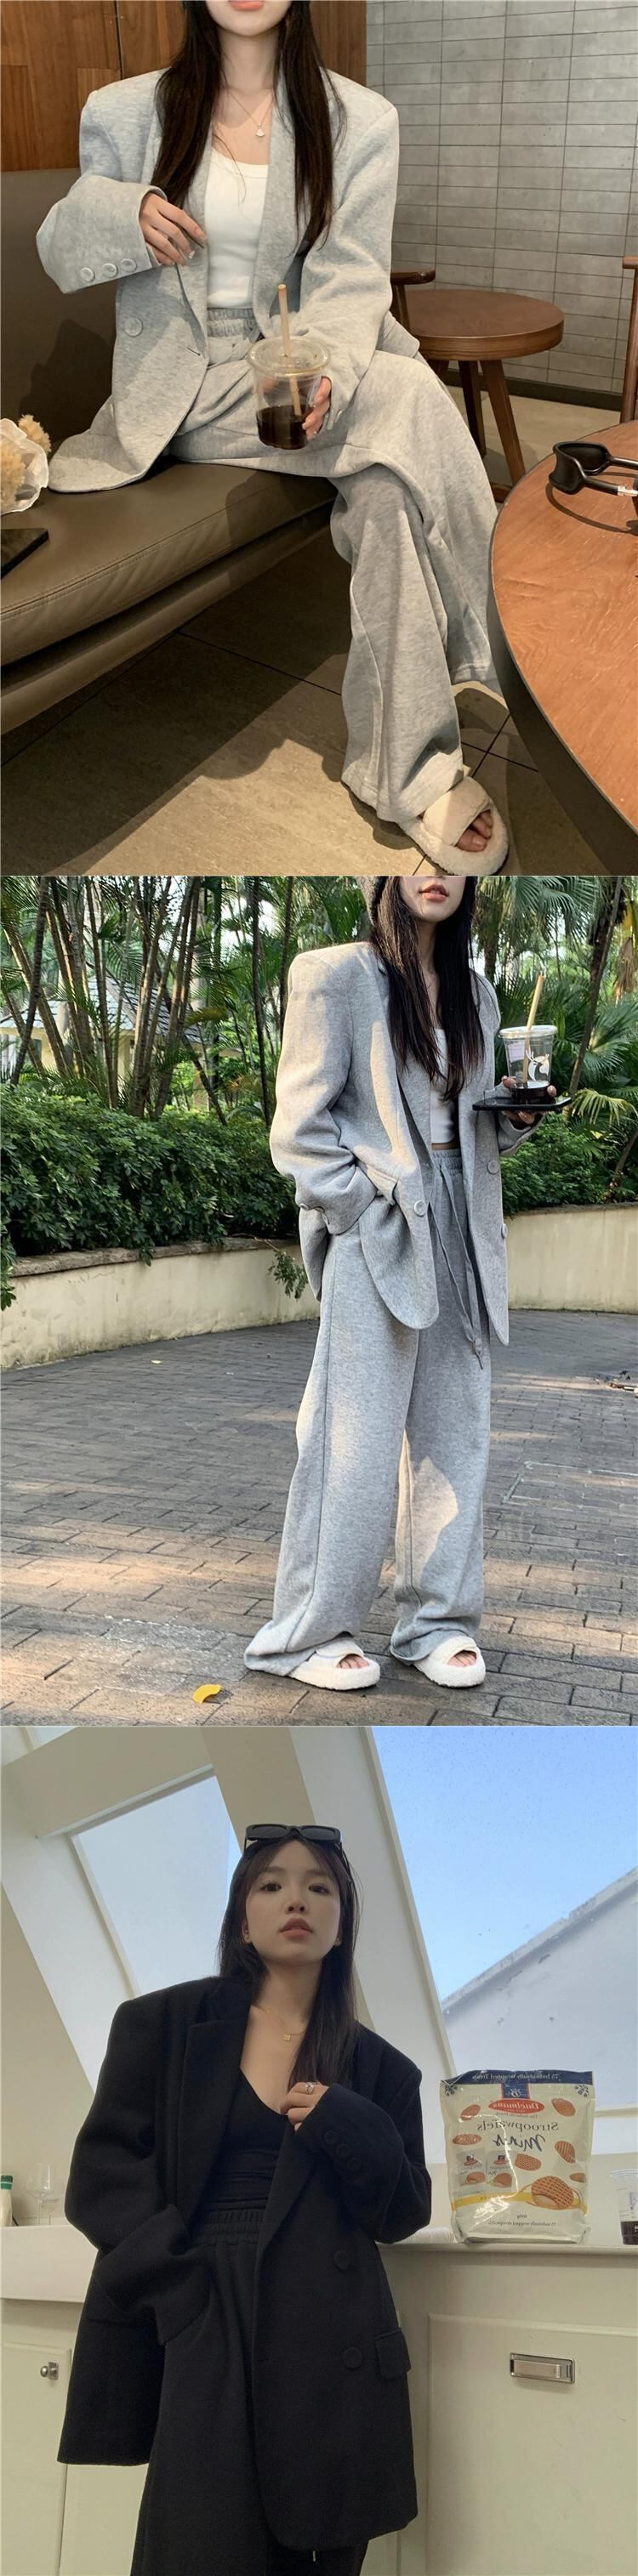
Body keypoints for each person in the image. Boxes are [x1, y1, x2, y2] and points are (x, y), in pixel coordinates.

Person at [37, 0, 508, 876]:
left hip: (292, 379)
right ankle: (519, 651)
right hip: (180, 397)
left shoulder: (359, 120)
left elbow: (351, 279)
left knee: (386, 489)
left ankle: (408, 770)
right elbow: (59, 249)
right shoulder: (125, 111)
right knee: (409, 392)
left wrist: (325, 373)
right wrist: (125, 215)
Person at [58, 1824, 430, 2576]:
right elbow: (102, 2174)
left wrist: (350, 2120)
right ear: (241, 1920)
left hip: (330, 2334)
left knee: (317, 2547)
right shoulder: (162, 2025)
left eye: (319, 1887)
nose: (297, 1900)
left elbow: (402, 2213)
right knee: (196, 2545)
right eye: (271, 1885)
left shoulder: (382, 2068)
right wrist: (179, 2293)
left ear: (341, 1925)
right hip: (204, 2308)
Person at [245, 874, 555, 1694]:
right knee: (351, 1442)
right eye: (415, 851)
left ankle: (438, 1623)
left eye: (452, 854)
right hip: (381, 1226)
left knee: (457, 1436)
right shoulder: (333, 975)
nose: (434, 869)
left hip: (464, 1230)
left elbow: (473, 1136)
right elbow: (299, 1132)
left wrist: (519, 1119)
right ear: (376, 868)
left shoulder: (477, 994)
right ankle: (309, 1632)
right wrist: (358, 1211)